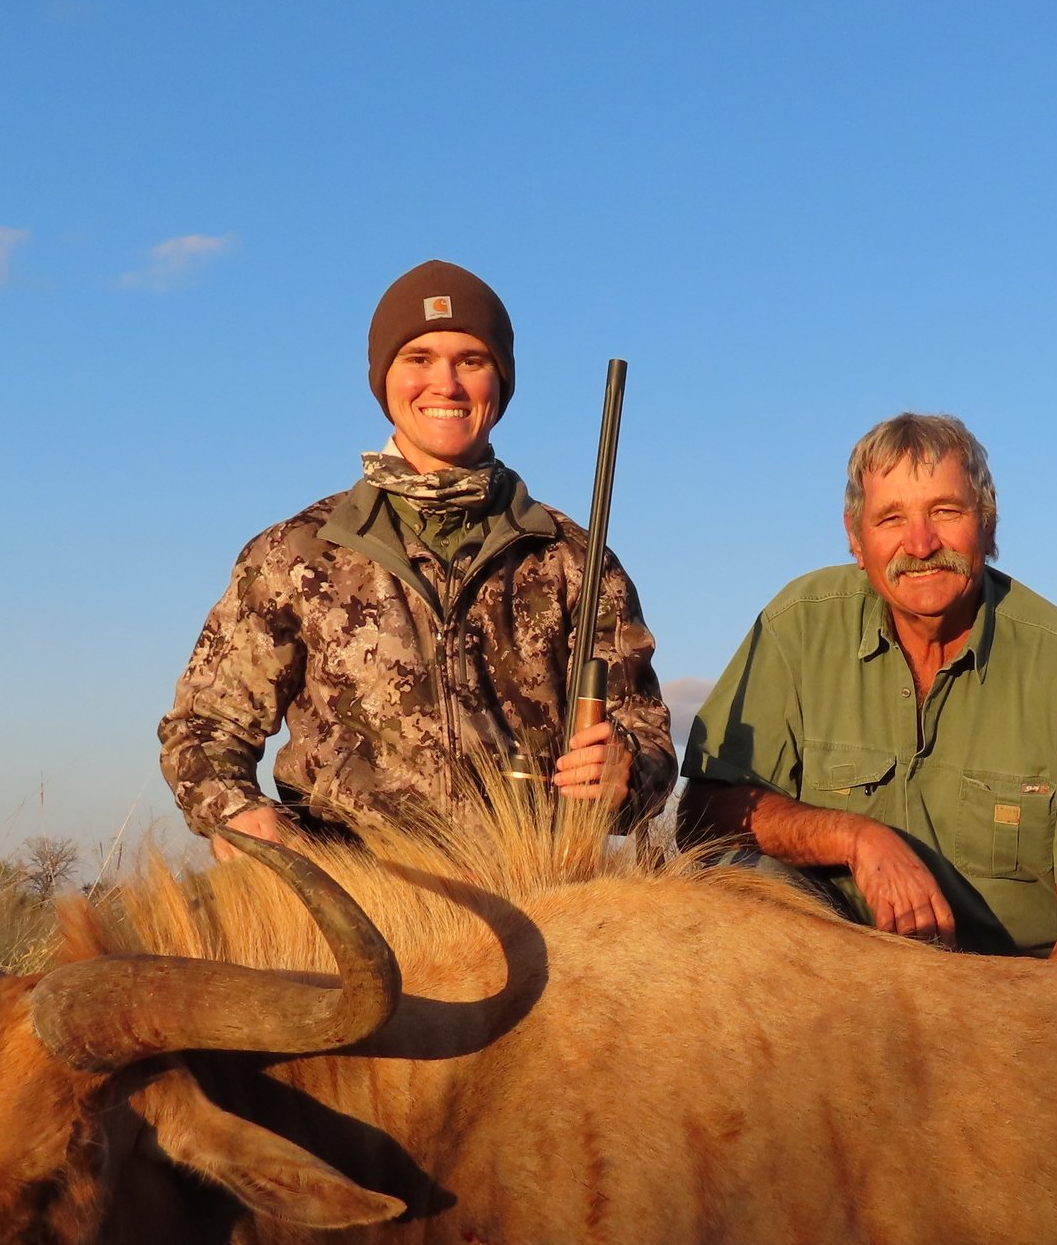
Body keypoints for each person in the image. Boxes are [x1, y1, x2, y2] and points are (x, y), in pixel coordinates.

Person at [160, 260, 675, 850]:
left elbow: (647, 736)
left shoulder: (573, 558)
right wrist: (235, 810)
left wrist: (625, 772)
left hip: (539, 899)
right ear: (384, 379)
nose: (446, 384)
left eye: (471, 361)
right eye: (419, 359)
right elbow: (204, 729)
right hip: (360, 901)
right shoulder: (295, 553)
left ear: (500, 382)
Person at [679, 412, 1057, 965]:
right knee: (720, 879)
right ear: (855, 538)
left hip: (1009, 1007)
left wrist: (1003, 1049)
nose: (920, 545)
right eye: (891, 518)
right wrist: (855, 839)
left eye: (945, 512)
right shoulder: (797, 627)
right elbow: (703, 819)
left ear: (987, 525)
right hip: (830, 988)